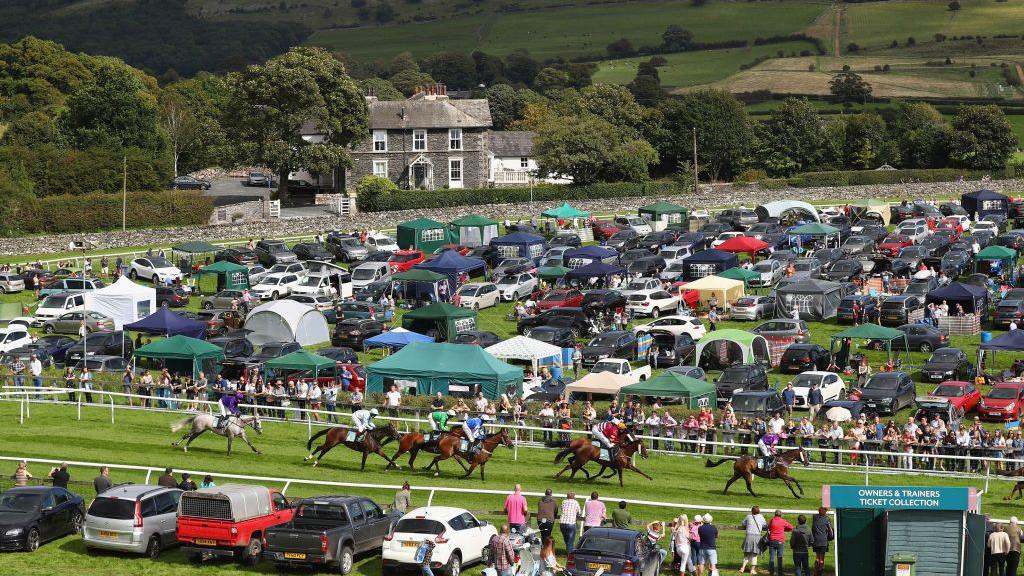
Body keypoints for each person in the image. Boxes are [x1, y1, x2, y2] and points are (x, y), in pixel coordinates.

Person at [740, 506, 767, 575]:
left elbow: (743, 523)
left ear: (752, 511)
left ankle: (742, 568)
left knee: (747, 554)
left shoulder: (748, 516)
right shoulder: (761, 517)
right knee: (754, 555)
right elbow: (765, 525)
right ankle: (752, 570)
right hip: (757, 536)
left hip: (748, 536)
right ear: (759, 511)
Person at [767, 510, 793, 576]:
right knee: (780, 557)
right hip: (780, 541)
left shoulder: (772, 520)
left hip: (772, 540)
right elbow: (791, 527)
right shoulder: (783, 521)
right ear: (781, 515)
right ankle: (780, 572)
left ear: (775, 514)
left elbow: (769, 527)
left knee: (771, 557)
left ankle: (771, 572)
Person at [811, 507, 833, 576]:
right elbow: (831, 531)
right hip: (823, 541)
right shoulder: (827, 519)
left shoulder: (814, 518)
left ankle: (815, 573)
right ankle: (820, 572)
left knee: (817, 557)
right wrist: (831, 537)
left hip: (816, 541)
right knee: (822, 558)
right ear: (825, 512)